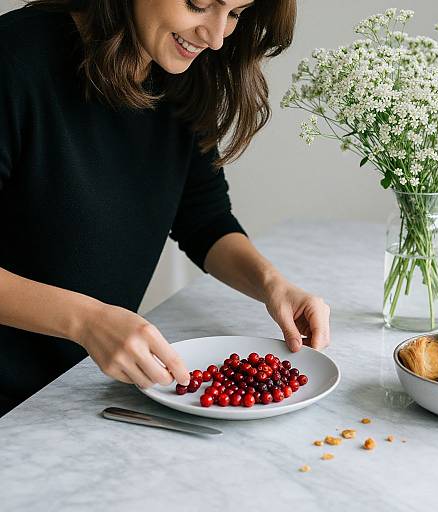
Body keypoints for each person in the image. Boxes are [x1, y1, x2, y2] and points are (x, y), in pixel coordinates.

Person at [0, 0, 330, 416]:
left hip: (78, 393)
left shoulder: (183, 77)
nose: (214, 37)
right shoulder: (13, 59)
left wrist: (273, 286)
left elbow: (204, 218)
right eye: (199, 5)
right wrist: (85, 321)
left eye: (235, 14)